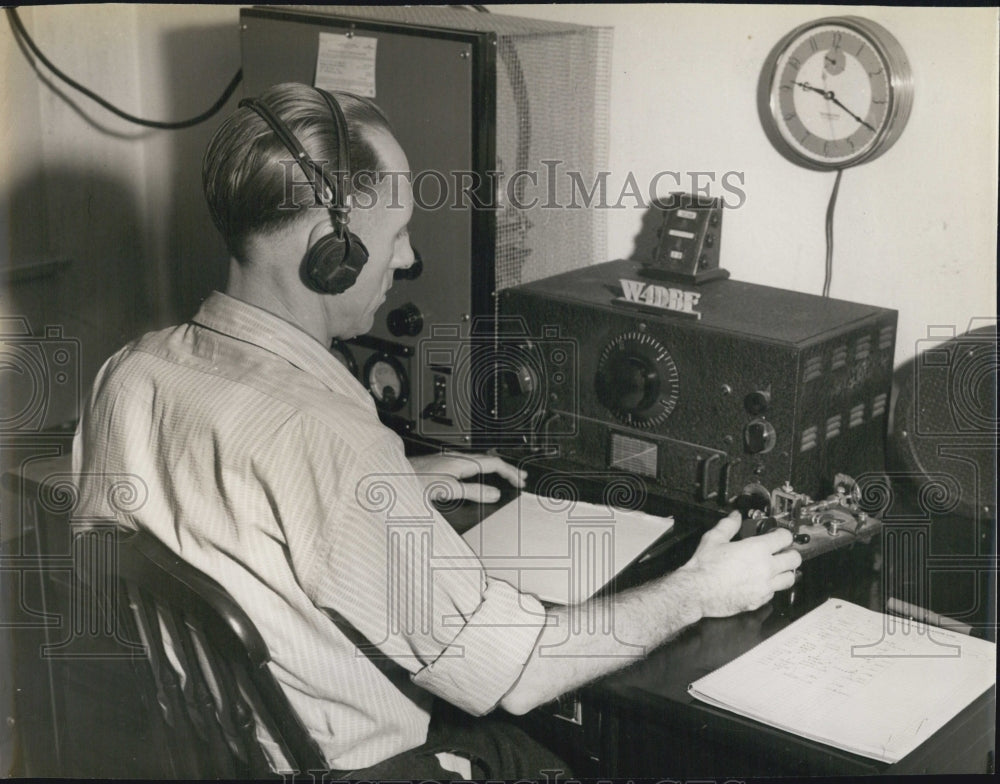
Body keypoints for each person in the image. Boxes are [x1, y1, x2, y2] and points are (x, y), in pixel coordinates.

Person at [72, 82, 801, 779]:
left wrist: (390, 485)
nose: (409, 259)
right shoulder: (330, 443)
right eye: (395, 234)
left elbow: (204, 500)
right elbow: (519, 671)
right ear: (334, 250)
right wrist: (699, 589)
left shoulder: (131, 372)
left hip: (206, 751)